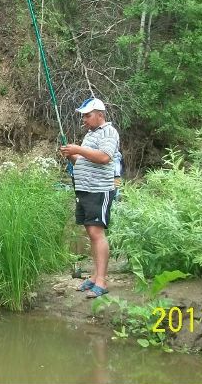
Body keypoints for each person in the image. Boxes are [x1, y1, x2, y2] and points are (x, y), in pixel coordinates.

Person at [60, 97, 119, 298]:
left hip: (99, 191)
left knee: (97, 234)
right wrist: (71, 155)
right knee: (91, 234)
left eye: (87, 115)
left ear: (100, 114)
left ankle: (102, 281)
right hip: (84, 190)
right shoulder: (90, 135)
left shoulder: (109, 132)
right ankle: (94, 276)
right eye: (83, 115)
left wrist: (78, 149)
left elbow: (104, 157)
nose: (84, 119)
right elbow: (84, 162)